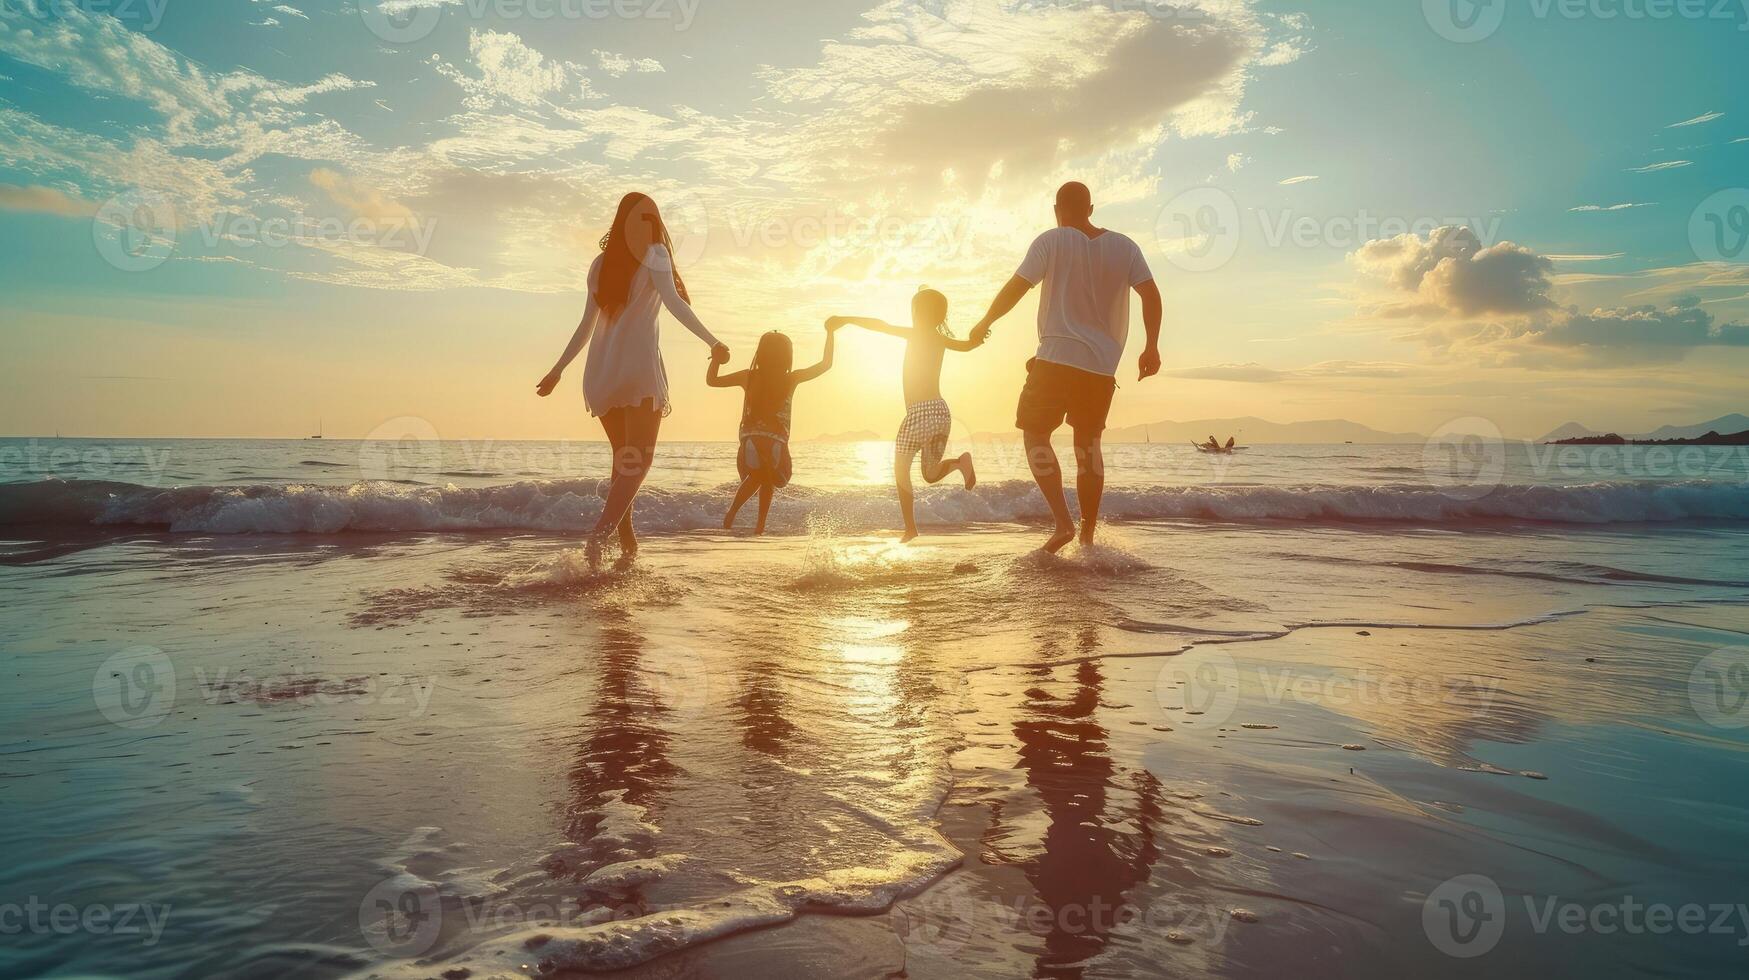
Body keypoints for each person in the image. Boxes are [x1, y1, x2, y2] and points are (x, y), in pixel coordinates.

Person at [967, 181, 1163, 553]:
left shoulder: (1051, 240)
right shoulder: (1125, 247)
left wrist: (985, 321)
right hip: (1100, 367)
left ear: (1057, 209)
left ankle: (1062, 524)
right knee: (1088, 448)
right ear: (1090, 208)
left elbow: (1018, 286)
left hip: (1055, 359)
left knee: (1035, 435)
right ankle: (1088, 536)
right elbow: (1151, 294)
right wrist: (1151, 346)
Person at [536, 192, 728, 565]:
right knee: (638, 463)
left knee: (624, 463)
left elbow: (585, 327)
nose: (649, 225)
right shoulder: (655, 255)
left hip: (602, 373)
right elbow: (674, 303)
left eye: (652, 219)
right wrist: (713, 340)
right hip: (638, 371)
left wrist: (559, 371)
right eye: (641, 218)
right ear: (624, 221)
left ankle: (628, 545)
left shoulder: (601, 263)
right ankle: (599, 538)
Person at [830, 288, 986, 542]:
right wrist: (980, 335)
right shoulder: (940, 339)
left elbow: (880, 325)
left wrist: (847, 319)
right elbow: (967, 345)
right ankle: (960, 462)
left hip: (918, 413)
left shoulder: (914, 333)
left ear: (917, 312)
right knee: (930, 473)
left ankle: (910, 527)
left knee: (901, 470)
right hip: (940, 413)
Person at [708, 324, 837, 534]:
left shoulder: (748, 376)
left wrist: (715, 358)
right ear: (788, 355)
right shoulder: (791, 378)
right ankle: (757, 525)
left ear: (761, 352)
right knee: (766, 480)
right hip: (776, 440)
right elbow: (826, 364)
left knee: (757, 477)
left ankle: (735, 515)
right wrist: (831, 333)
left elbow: (712, 381)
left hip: (750, 439)